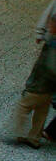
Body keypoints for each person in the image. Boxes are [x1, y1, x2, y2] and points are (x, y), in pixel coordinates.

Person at [9, 10, 56, 149]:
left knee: (23, 107)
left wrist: (33, 82)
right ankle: (34, 138)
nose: (48, 25)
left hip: (40, 85)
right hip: (49, 89)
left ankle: (18, 133)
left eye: (51, 23)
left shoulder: (53, 44)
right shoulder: (51, 39)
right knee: (42, 112)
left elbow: (50, 67)